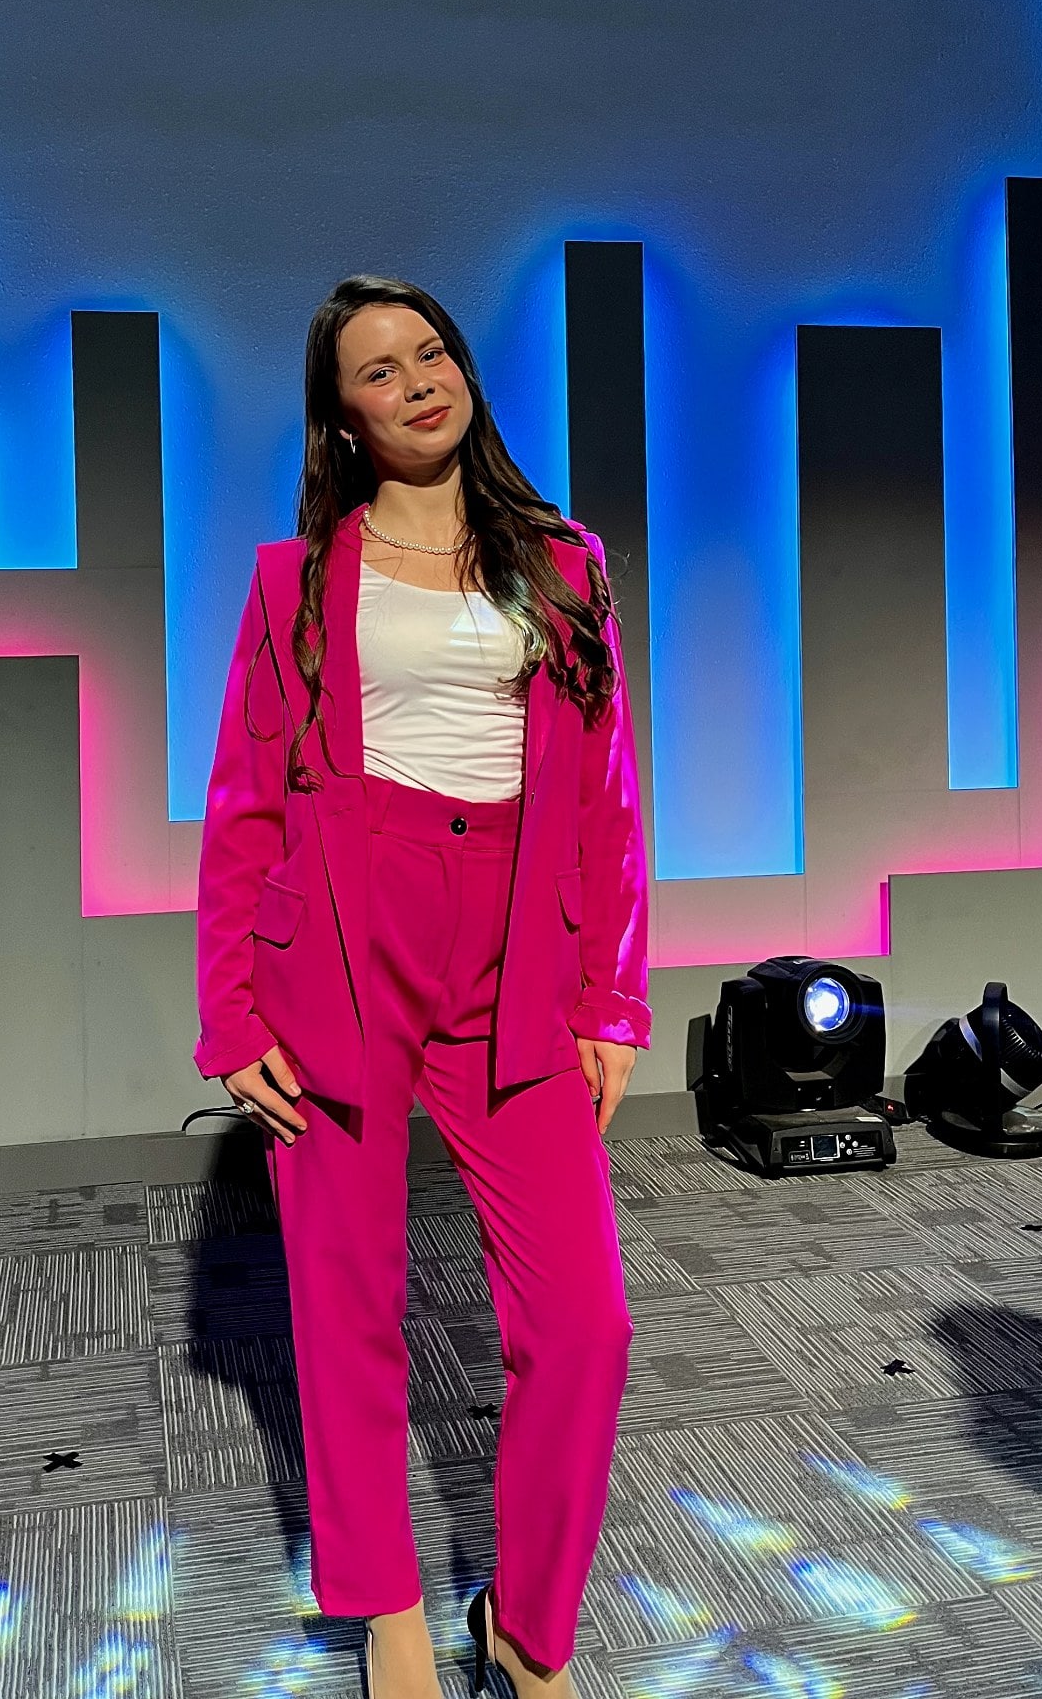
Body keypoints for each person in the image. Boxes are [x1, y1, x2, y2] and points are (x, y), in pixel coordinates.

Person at [194, 273, 652, 1699]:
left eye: (431, 352)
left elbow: (608, 803)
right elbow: (246, 801)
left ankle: (527, 1624)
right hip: (341, 941)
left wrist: (611, 998)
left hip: (514, 948)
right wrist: (230, 1016)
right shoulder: (296, 579)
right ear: (343, 418)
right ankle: (386, 1605)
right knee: (346, 1303)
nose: (417, 381)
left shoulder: (563, 563)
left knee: (584, 1324)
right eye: (380, 370)